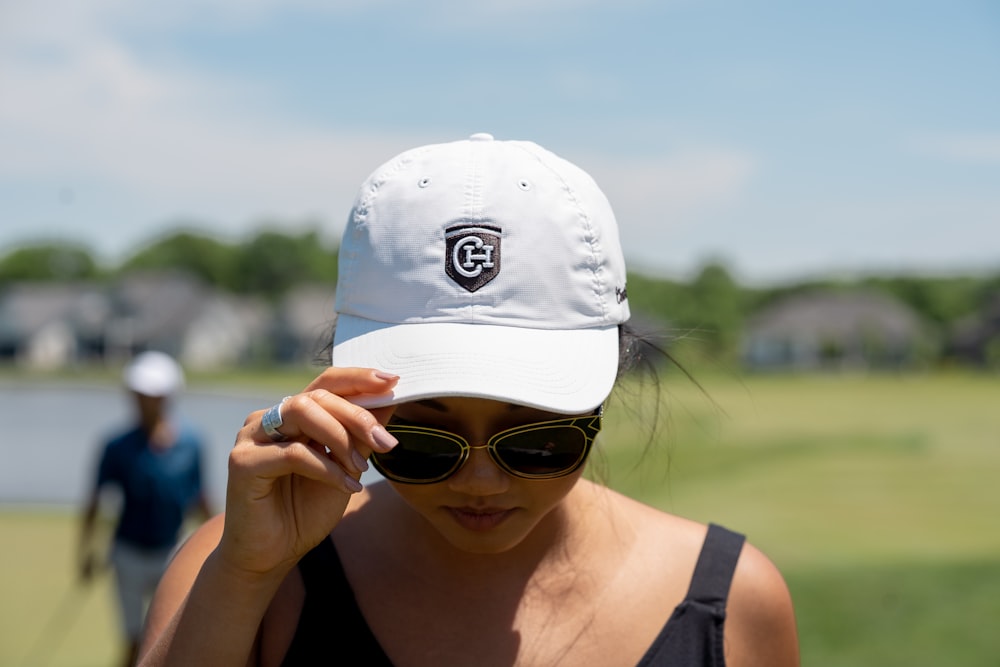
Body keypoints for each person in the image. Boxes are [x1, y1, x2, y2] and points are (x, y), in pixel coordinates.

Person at [138, 133, 799, 666]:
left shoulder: (733, 602)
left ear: (602, 394)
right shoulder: (244, 563)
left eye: (537, 440)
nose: (480, 480)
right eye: (421, 443)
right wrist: (247, 574)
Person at [80, 350, 212, 667]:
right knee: (133, 641)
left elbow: (200, 499)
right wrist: (86, 551)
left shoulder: (192, 443)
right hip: (127, 554)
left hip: (172, 552)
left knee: (168, 635)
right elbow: (96, 501)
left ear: (167, 396)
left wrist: (216, 543)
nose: (142, 402)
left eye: (150, 395)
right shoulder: (116, 445)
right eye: (138, 395)